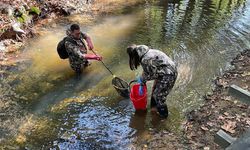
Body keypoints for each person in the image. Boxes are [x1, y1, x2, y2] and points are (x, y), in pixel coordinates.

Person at [127, 44, 178, 118]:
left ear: (134, 55)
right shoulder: (146, 52)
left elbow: (153, 75)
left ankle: (163, 118)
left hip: (168, 74)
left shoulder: (146, 59)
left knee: (159, 96)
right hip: (165, 71)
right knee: (155, 89)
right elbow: (149, 70)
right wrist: (142, 78)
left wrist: (142, 80)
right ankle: (154, 109)